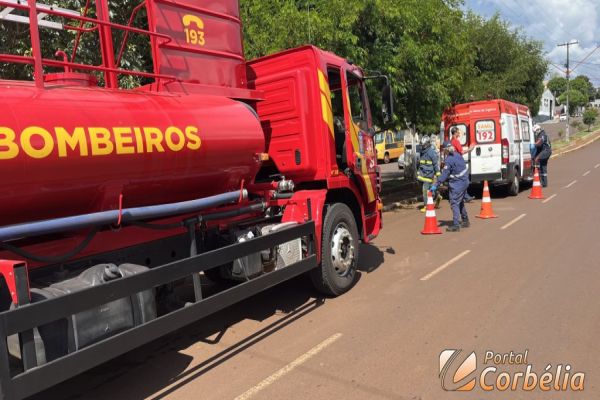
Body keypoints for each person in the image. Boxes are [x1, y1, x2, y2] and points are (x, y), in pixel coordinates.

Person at [431, 141, 470, 232]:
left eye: (443, 150)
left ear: (445, 150)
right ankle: (465, 220)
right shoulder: (457, 155)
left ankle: (456, 225)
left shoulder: (448, 160)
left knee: (454, 202)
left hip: (458, 184)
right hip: (465, 181)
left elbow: (444, 174)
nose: (443, 152)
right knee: (460, 201)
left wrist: (435, 185)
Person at [416, 135, 442, 212]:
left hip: (428, 175)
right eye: (421, 145)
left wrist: (438, 176)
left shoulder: (431, 153)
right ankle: (437, 196)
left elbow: (435, 165)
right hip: (422, 175)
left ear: (427, 144)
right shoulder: (421, 152)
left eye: (423, 145)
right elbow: (420, 164)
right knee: (430, 190)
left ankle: (426, 206)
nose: (422, 146)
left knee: (424, 190)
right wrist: (418, 173)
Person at [449, 127, 474, 203]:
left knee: (459, 180)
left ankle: (464, 196)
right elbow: (462, 152)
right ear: (455, 133)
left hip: (454, 163)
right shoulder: (456, 141)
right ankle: (464, 197)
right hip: (458, 163)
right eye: (458, 132)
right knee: (464, 179)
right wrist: (470, 149)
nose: (459, 134)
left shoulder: (451, 141)